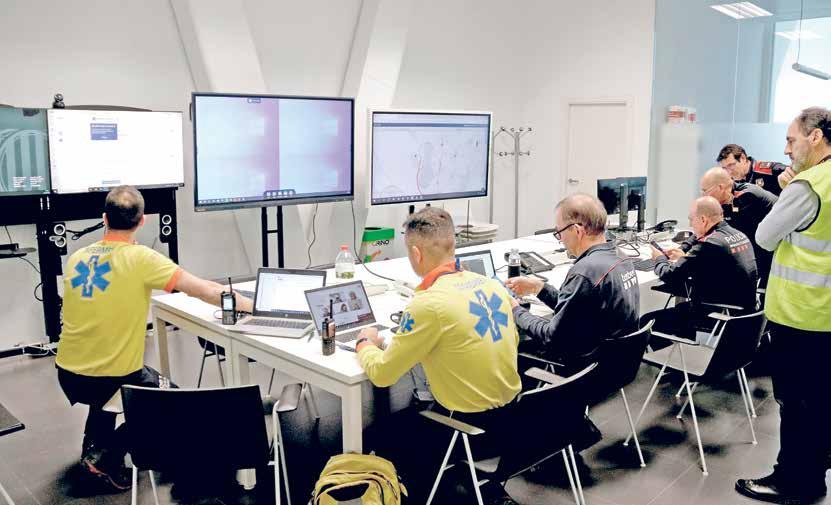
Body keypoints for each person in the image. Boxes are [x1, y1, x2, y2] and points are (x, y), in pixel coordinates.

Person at [55, 186, 253, 492]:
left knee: (109, 389)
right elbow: (207, 291)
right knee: (172, 404)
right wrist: (255, 305)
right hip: (109, 375)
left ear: (104, 219)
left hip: (68, 373)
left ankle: (91, 448)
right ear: (142, 220)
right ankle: (105, 455)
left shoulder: (78, 256)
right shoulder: (141, 259)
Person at [355, 207, 522, 505]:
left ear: (416, 253)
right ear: (452, 244)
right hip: (512, 421)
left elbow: (381, 374)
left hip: (466, 431)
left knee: (380, 434)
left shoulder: (428, 304)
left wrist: (365, 343)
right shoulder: (491, 286)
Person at [736, 107, 831, 504]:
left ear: (815, 137)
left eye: (792, 140)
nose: (787, 149)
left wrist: (788, 191)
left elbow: (765, 236)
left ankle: (794, 482)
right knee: (821, 401)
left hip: (800, 314)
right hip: (825, 314)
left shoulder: (808, 185)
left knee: (796, 405)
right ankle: (815, 470)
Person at [505, 194, 640, 375]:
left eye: (559, 233)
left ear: (577, 230)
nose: (560, 239)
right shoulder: (621, 257)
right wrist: (539, 288)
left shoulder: (585, 272)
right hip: (619, 363)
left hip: (588, 371)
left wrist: (515, 310)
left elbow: (551, 337)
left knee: (517, 348)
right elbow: (579, 309)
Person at [643, 196, 758, 340]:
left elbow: (670, 275)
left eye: (691, 219)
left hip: (718, 315)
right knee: (680, 308)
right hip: (745, 314)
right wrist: (684, 252)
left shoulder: (709, 244)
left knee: (646, 322)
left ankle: (671, 350)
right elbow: (699, 241)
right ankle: (681, 347)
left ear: (703, 220)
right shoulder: (736, 234)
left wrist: (659, 258)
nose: (690, 224)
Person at [700, 166, 777, 286]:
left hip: (774, 250)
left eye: (705, 191)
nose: (703, 196)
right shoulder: (726, 198)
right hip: (763, 245)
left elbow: (736, 236)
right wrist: (684, 248)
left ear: (720, 188)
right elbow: (707, 226)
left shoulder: (747, 196)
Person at [717, 143, 791, 196]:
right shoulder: (732, 183)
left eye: (731, 165)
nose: (729, 172)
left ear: (743, 158)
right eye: (725, 168)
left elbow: (793, 172)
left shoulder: (768, 170)